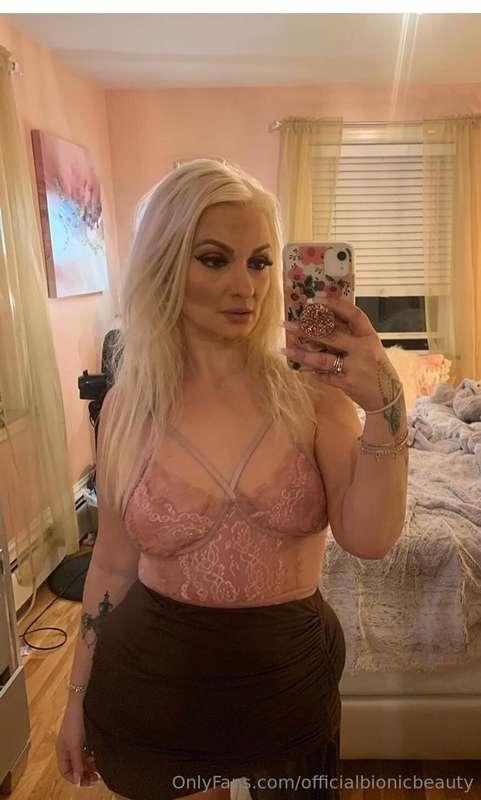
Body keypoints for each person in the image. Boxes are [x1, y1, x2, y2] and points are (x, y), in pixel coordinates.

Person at [55, 159, 408, 800]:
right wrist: (75, 697)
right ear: (165, 265)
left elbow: (371, 538)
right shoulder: (129, 406)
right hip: (153, 692)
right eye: (214, 259)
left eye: (261, 261)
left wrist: (387, 405)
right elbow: (110, 564)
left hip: (289, 688)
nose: (245, 286)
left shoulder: (312, 396)